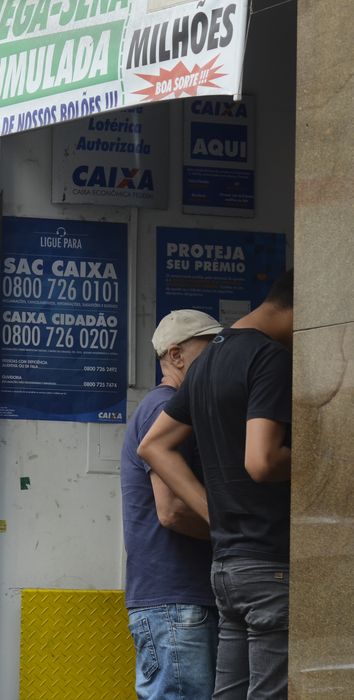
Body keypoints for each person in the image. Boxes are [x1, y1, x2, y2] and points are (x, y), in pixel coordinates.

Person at [140, 271, 293, 698]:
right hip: (269, 563)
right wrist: (322, 462)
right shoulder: (271, 358)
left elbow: (155, 447)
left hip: (226, 567)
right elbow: (261, 461)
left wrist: (217, 514)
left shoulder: (206, 362)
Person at [121, 309, 221, 699]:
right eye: (209, 349)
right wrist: (235, 534)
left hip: (174, 601)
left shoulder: (166, 407)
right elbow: (172, 511)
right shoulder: (165, 408)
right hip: (177, 602)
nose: (217, 359)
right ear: (176, 356)